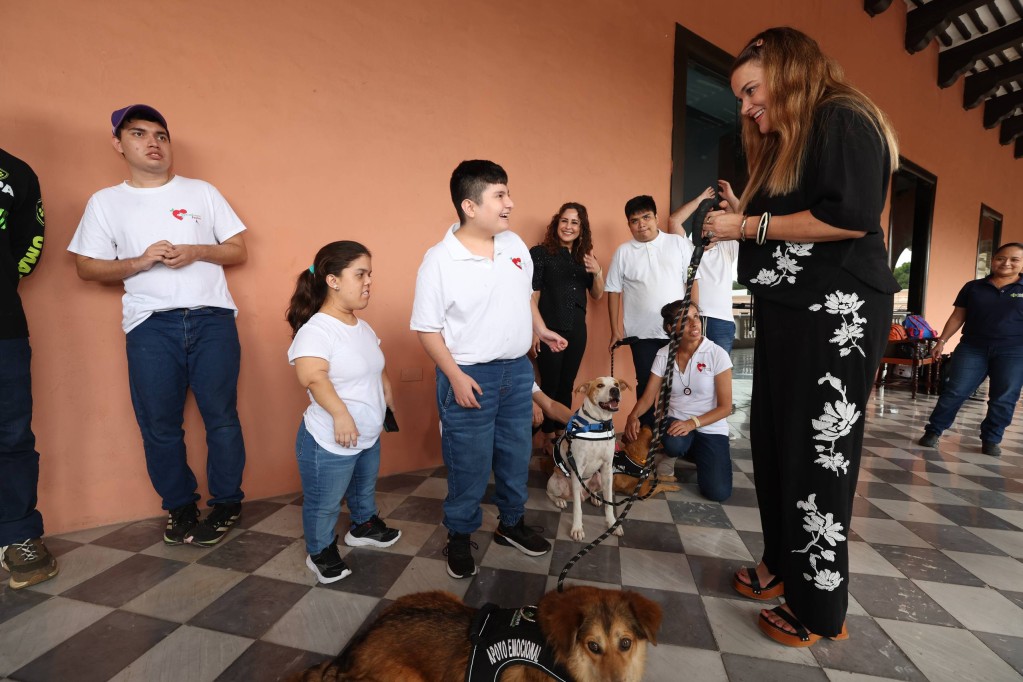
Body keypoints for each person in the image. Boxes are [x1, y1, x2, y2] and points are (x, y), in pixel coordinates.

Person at [702, 28, 900, 646]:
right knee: (773, 443)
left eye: (750, 91)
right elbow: (791, 218)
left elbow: (849, 216)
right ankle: (781, 564)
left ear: (787, 71)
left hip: (834, 316)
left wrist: (747, 225)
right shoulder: (794, 137)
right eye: (740, 98)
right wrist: (746, 212)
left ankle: (818, 608)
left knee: (818, 455)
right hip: (791, 311)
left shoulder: (842, 116)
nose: (745, 107)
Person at [69, 105, 248, 547]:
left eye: (161, 135)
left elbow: (238, 249)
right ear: (118, 144)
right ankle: (180, 506)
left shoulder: (202, 191)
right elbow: (87, 267)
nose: (153, 143)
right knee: (160, 425)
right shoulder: (105, 202)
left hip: (212, 319)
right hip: (150, 326)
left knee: (222, 418)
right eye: (139, 134)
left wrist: (197, 251)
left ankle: (227, 503)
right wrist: (140, 261)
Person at [410, 159, 567, 579]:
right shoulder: (439, 260)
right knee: (469, 464)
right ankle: (460, 535)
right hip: (469, 377)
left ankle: (511, 524)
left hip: (516, 371)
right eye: (499, 195)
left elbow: (523, 298)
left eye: (508, 193)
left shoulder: (513, 244)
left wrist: (540, 329)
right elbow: (426, 329)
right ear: (470, 206)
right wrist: (455, 376)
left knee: (515, 456)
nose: (510, 203)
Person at [286, 241, 401, 583]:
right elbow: (313, 377)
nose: (369, 282)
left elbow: (374, 363)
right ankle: (320, 551)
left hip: (366, 434)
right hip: (329, 439)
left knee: (363, 489)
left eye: (370, 274)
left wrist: (386, 391)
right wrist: (341, 415)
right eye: (360, 274)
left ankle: (363, 525)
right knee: (324, 503)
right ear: (333, 280)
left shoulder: (361, 327)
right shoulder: (316, 331)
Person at [0, 147, 59, 589]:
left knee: (12, 434)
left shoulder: (15, 172)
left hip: (3, 326)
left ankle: (18, 533)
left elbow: (28, 248)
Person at [605, 194, 703, 428]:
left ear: (656, 217)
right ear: (629, 224)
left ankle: (678, 433)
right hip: (641, 333)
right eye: (634, 220)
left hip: (678, 330)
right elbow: (613, 291)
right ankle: (646, 435)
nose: (641, 224)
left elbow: (692, 282)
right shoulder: (623, 252)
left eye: (646, 217)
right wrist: (615, 330)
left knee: (681, 382)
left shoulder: (677, 243)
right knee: (646, 382)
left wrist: (693, 320)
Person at [917, 242, 1023, 457]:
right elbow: (958, 316)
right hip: (972, 348)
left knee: (1004, 397)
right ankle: (933, 431)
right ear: (993, 260)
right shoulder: (973, 287)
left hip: (1014, 352)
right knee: (955, 391)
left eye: (1014, 259)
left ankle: (992, 439)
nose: (1006, 263)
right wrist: (942, 341)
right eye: (1001, 258)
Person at [624, 302, 733, 502]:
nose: (694, 323)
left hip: (711, 427)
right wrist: (633, 416)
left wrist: (692, 423)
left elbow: (726, 408)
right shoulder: (664, 354)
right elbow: (648, 397)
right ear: (670, 327)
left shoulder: (717, 354)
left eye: (696, 316)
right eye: (685, 319)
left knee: (718, 492)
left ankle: (699, 452)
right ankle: (672, 453)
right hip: (676, 421)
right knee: (674, 443)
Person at [529, 202, 604, 441]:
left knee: (567, 383)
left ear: (581, 228)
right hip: (549, 328)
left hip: (577, 330)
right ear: (556, 223)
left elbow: (597, 294)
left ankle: (562, 434)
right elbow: (533, 293)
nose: (568, 226)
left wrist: (598, 272)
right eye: (564, 220)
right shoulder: (540, 253)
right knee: (549, 383)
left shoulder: (586, 258)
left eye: (574, 222)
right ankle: (547, 437)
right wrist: (535, 330)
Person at [670, 186, 740, 354]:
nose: (709, 227)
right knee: (691, 365)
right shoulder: (687, 247)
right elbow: (673, 221)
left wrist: (731, 198)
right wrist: (700, 201)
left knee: (721, 367)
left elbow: (743, 221)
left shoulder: (727, 246)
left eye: (713, 223)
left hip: (722, 321)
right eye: (705, 221)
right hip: (692, 319)